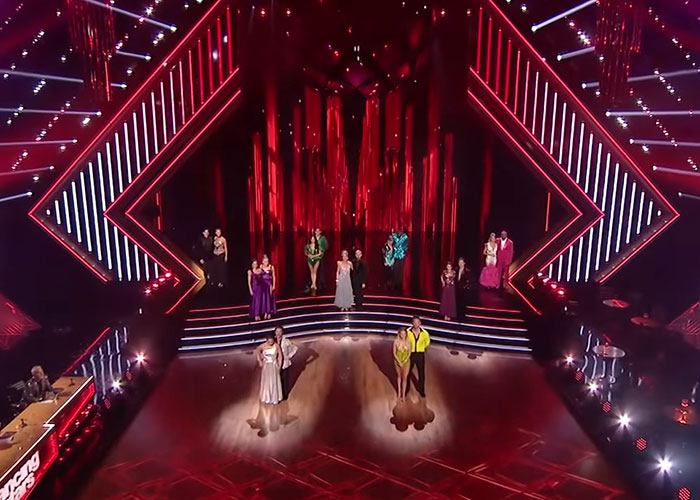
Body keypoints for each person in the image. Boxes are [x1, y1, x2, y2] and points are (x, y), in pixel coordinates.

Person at [256, 334, 283, 405]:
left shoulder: (276, 346)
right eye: (269, 342)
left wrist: (279, 366)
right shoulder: (262, 346)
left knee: (274, 381)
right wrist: (260, 361)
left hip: (274, 365)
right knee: (267, 381)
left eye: (272, 342)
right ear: (266, 340)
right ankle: (267, 397)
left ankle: (274, 398)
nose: (270, 343)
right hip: (266, 366)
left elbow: (280, 356)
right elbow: (257, 352)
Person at [407, 316, 430, 397]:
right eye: (414, 322)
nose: (416, 324)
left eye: (417, 322)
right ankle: (406, 389)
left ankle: (421, 390)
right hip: (410, 353)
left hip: (420, 354)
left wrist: (422, 347)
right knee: (407, 372)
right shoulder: (407, 332)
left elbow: (427, 342)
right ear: (412, 323)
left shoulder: (425, 333)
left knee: (421, 373)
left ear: (420, 323)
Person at [275, 326, 298, 400]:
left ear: (282, 332)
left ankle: (284, 395)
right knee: (276, 379)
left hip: (284, 363)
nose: (278, 333)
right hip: (275, 363)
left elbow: (295, 348)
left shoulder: (286, 341)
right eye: (277, 331)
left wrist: (289, 356)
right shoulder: (273, 341)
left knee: (284, 379)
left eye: (280, 331)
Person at [393, 328, 411, 401]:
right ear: (399, 334)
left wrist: (404, 361)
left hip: (406, 362)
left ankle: (403, 395)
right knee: (399, 376)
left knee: (405, 378)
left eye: (404, 334)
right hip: (398, 361)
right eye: (401, 334)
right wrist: (399, 361)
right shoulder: (396, 342)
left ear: (406, 334)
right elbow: (394, 353)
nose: (403, 335)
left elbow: (409, 353)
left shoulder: (408, 342)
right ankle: (399, 392)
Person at [260, 254, 276, 320]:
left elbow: (274, 276)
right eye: (265, 261)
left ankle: (269, 312)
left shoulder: (271, 267)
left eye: (267, 261)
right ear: (262, 261)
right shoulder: (261, 267)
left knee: (269, 298)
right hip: (263, 285)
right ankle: (265, 312)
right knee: (264, 299)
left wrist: (274, 285)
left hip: (269, 284)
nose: (266, 262)